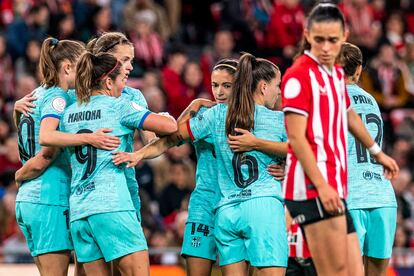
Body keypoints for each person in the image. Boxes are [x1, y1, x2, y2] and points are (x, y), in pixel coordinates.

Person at [117, 53, 288, 275]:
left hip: (228, 206)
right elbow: (307, 149)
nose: (219, 92)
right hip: (222, 204)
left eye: (227, 86)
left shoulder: (214, 115)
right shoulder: (276, 120)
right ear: (263, 86)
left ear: (241, 85)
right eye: (215, 85)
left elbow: (172, 137)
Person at [281, 3, 399, 276]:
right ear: (308, 35)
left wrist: (377, 152)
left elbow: (348, 113)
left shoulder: (333, 75)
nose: (325, 47)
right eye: (319, 39)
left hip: (338, 190)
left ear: (343, 36)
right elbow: (297, 140)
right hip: (310, 190)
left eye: (333, 40)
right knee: (336, 272)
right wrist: (322, 186)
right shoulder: (298, 76)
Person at [59, 52, 176, 275]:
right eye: (123, 79)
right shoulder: (118, 106)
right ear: (108, 81)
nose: (125, 86)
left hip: (80, 211)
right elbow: (168, 127)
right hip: (111, 205)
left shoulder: (68, 114)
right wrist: (166, 116)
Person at [13, 38, 118, 276]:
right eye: (81, 66)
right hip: (48, 196)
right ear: (68, 67)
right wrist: (89, 138)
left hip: (33, 199)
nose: (85, 73)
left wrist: (13, 109)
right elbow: (46, 147)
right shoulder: (58, 98)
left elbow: (24, 127)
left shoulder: (34, 95)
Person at [338, 42, 397, 276]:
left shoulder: (332, 100)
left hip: (350, 195)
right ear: (359, 70)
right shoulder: (371, 100)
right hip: (382, 196)